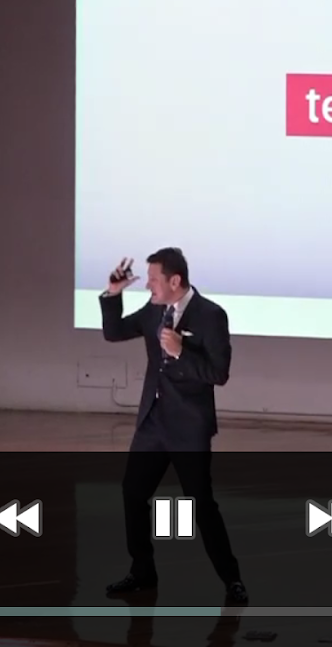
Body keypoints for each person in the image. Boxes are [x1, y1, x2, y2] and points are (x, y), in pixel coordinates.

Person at [99, 248, 247, 604]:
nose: (147, 285)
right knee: (133, 493)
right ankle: (142, 571)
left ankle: (232, 579)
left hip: (188, 427)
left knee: (200, 503)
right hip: (153, 422)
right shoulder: (154, 310)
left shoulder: (211, 315)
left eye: (153, 279)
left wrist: (183, 352)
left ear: (175, 280)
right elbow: (114, 332)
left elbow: (218, 373)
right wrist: (113, 293)